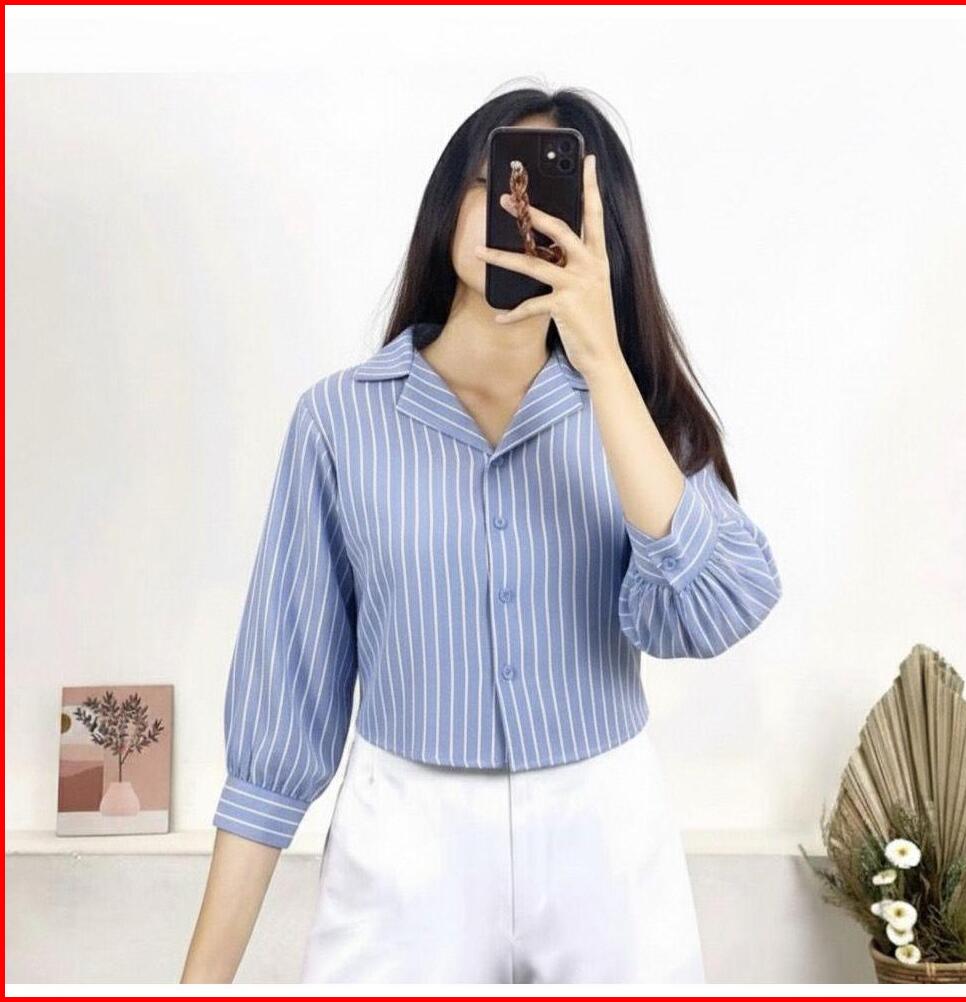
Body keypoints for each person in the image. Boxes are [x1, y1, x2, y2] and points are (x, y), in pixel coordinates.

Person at [181, 87, 782, 985]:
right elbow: (281, 720)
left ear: (601, 232)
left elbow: (716, 604)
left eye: (549, 190)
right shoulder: (338, 422)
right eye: (494, 177)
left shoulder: (636, 417)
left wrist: (602, 357)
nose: (518, 208)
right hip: (403, 842)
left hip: (604, 832)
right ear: (448, 201)